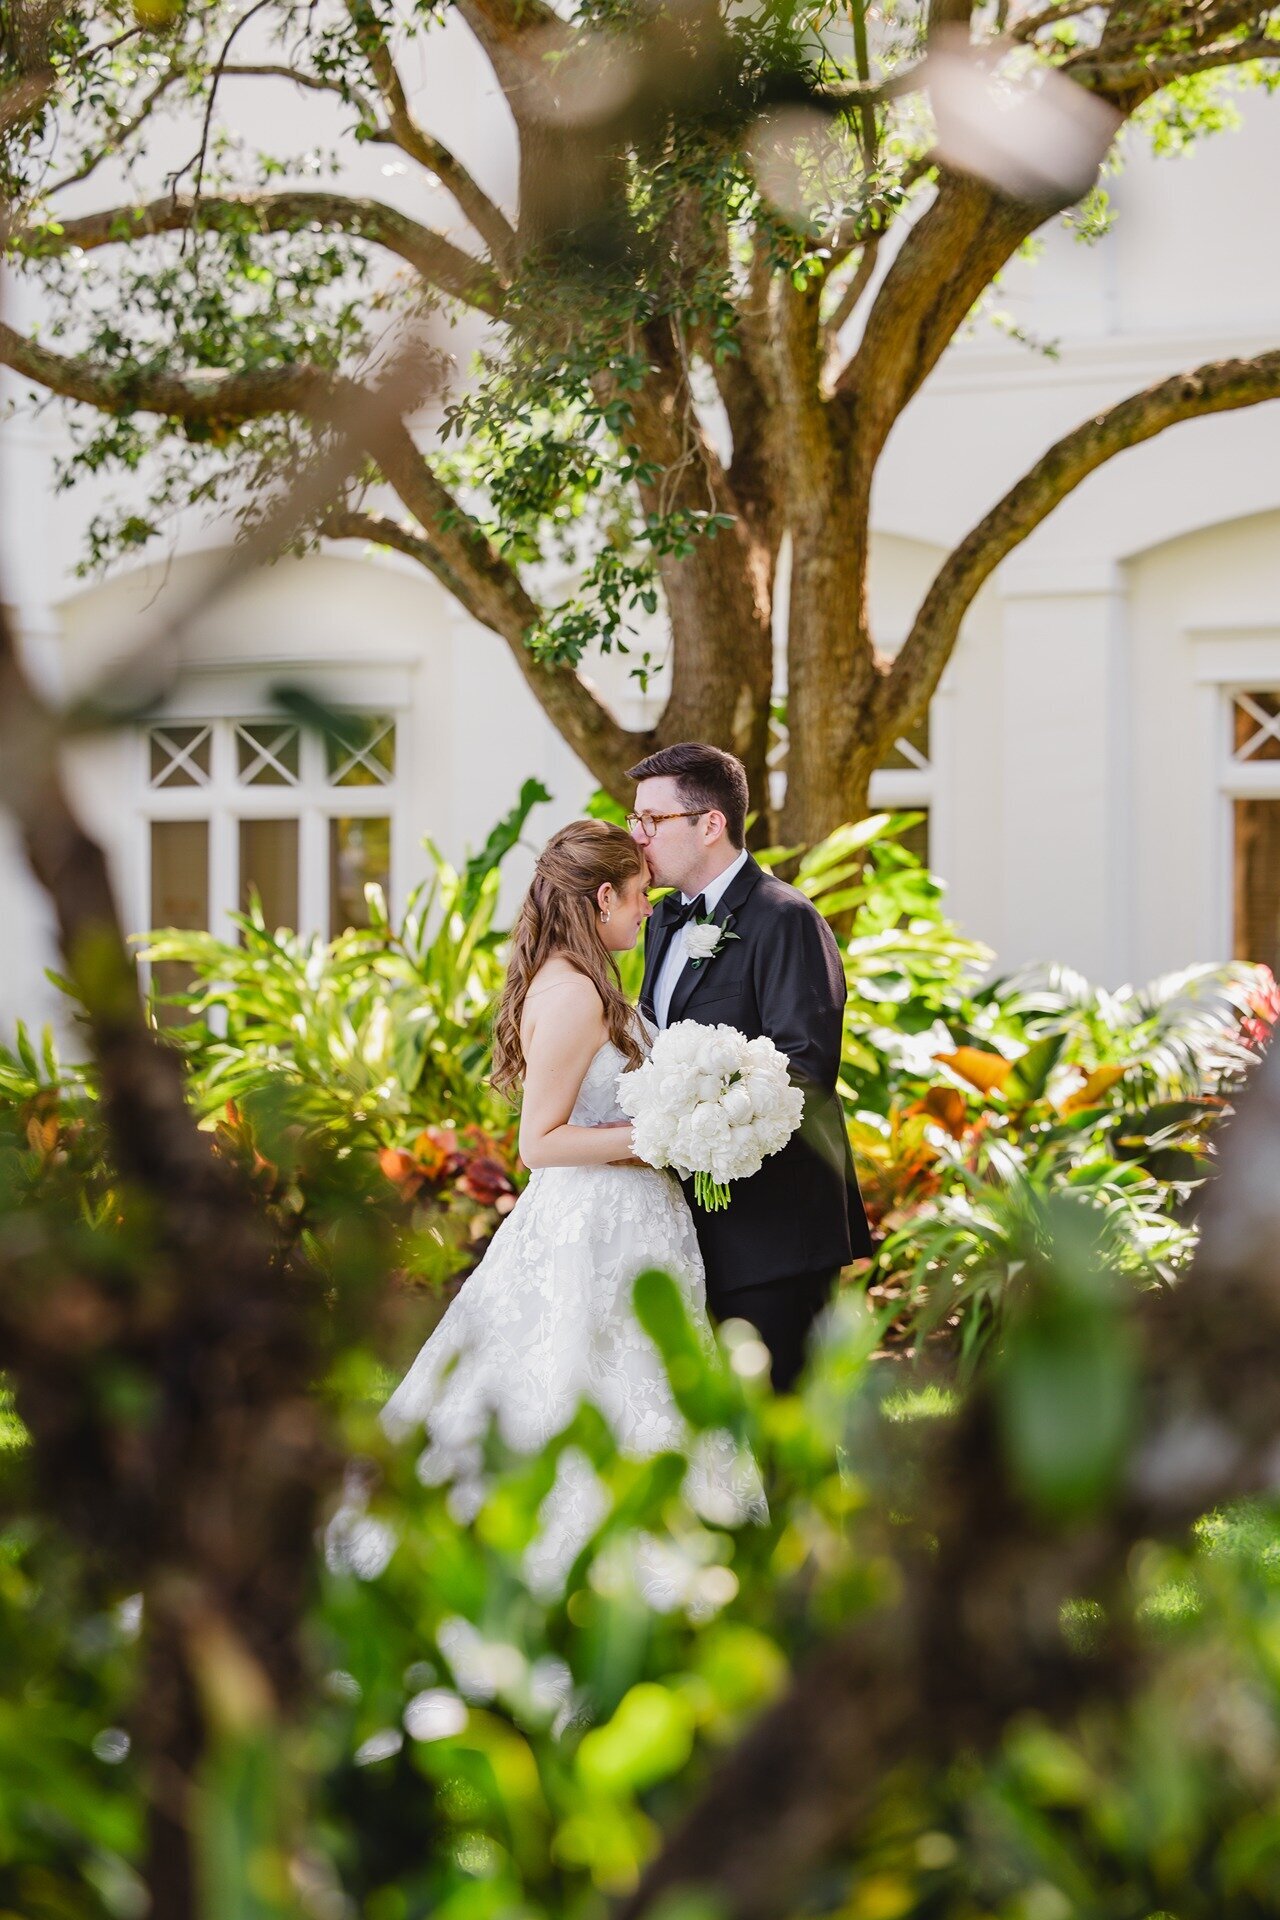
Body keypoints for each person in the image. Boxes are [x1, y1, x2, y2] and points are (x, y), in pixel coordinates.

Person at [380, 819, 758, 1593]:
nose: (648, 910)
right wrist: (656, 1133)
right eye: (640, 896)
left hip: (625, 1217)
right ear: (602, 896)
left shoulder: (584, 981)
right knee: (581, 1380)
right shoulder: (576, 994)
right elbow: (539, 1143)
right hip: (592, 1223)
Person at [627, 741, 872, 1390]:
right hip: (695, 1224)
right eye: (636, 820)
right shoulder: (659, 925)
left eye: (652, 821)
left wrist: (691, 1120)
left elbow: (805, 1068)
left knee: (782, 1428)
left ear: (709, 824)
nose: (638, 837)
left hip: (777, 1230)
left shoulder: (784, 919)